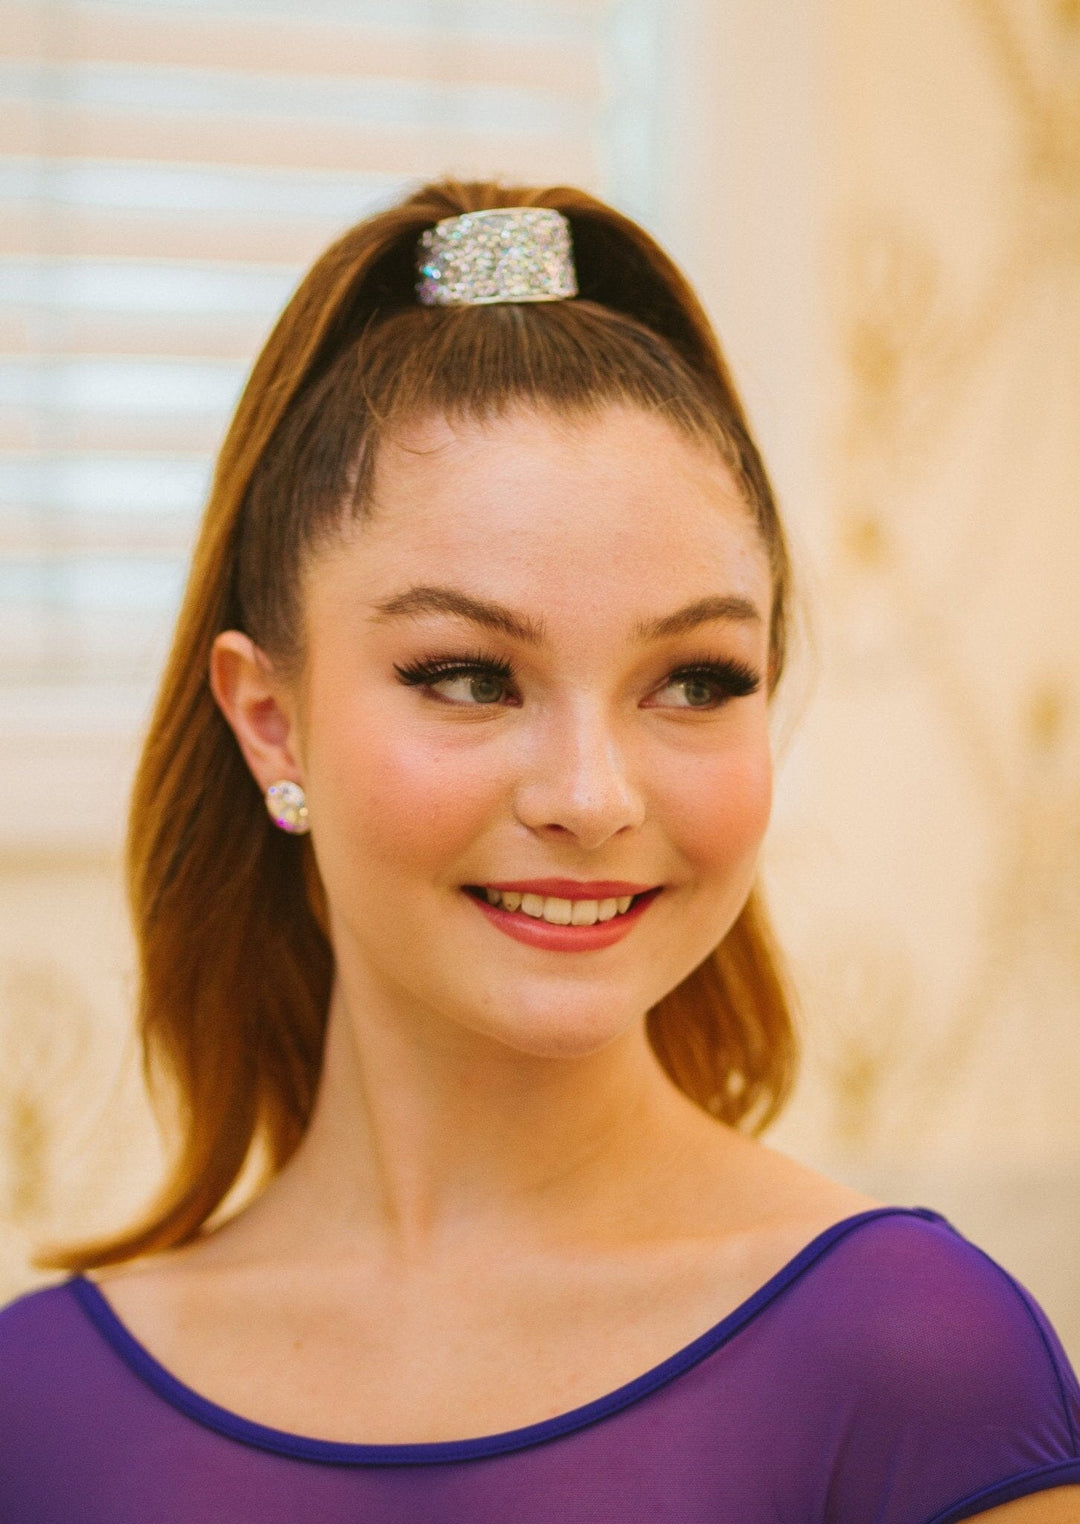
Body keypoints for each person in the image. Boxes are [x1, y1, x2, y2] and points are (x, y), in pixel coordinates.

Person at [0, 181, 1077, 1524]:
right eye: (468, 675)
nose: (591, 794)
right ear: (272, 723)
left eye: (694, 679)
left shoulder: (914, 1361)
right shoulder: (32, 1414)